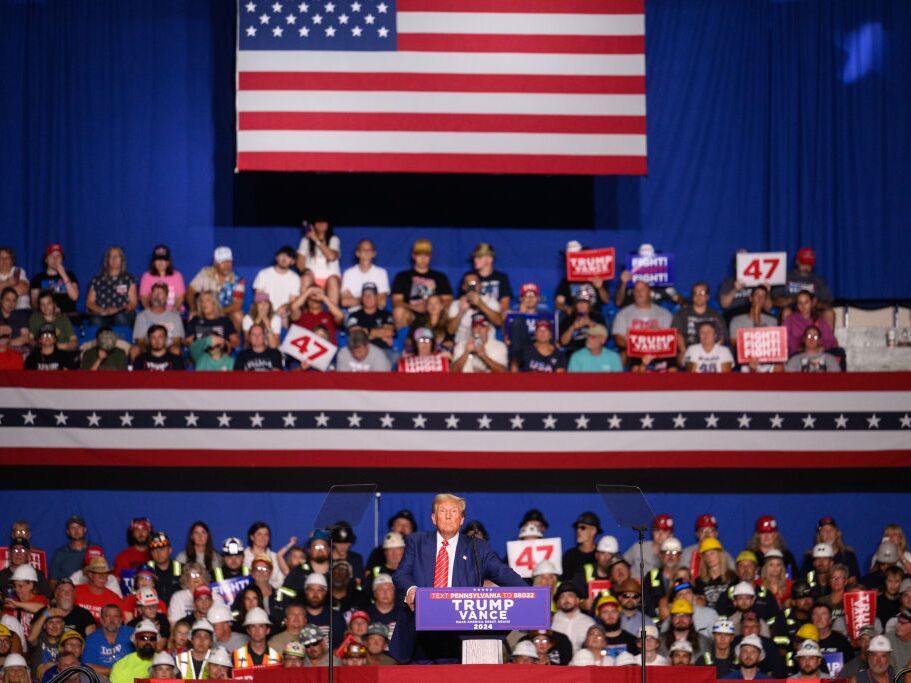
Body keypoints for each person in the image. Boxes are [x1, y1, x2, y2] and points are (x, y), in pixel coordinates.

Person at [389, 493, 526, 663]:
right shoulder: (416, 542)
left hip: (459, 638)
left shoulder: (478, 548)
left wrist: (532, 597)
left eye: (454, 511)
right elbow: (401, 574)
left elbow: (505, 575)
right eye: (442, 511)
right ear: (433, 518)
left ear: (461, 519)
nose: (448, 516)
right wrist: (411, 589)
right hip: (418, 635)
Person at [390, 239, 453, 330]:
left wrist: (432, 308)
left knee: (449, 310)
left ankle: (442, 339)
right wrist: (414, 307)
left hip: (435, 314)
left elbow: (448, 299)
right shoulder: (402, 276)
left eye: (426, 255)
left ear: (430, 257)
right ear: (413, 256)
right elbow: (396, 301)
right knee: (398, 311)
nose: (423, 259)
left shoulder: (440, 277)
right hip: (412, 314)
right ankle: (402, 342)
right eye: (419, 255)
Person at [611, 280, 674, 366]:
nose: (639, 293)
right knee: (622, 355)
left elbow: (671, 339)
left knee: (673, 358)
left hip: (658, 351)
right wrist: (635, 347)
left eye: (642, 290)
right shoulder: (623, 314)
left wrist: (659, 332)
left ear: (650, 292)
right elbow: (618, 338)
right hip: (633, 353)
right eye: (636, 290)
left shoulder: (664, 314)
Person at [186, 246, 246, 332]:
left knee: (238, 315)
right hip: (205, 309)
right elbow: (190, 291)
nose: (227, 265)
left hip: (225, 311)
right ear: (215, 263)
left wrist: (218, 312)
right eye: (223, 262)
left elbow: (237, 304)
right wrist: (193, 307)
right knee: (192, 314)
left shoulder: (238, 280)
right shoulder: (205, 273)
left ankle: (234, 343)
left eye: (229, 262)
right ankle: (191, 342)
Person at [772, 247, 835, 327]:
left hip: (813, 312)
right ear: (797, 261)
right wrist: (792, 301)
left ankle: (828, 339)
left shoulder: (818, 280)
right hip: (793, 311)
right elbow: (774, 299)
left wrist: (816, 304)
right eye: (804, 263)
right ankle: (786, 338)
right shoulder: (787, 277)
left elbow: (829, 301)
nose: (806, 267)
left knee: (829, 313)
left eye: (809, 264)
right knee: (786, 312)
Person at [85, 246, 138, 328]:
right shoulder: (97, 279)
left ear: (122, 259)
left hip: (122, 313)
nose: (114, 259)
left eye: (117, 256)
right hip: (102, 313)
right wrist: (102, 310)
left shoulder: (129, 278)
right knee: (95, 320)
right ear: (107, 260)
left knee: (120, 317)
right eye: (111, 256)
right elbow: (89, 302)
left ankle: (122, 340)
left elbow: (133, 303)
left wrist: (117, 310)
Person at [131, 283, 185, 361]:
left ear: (166, 298)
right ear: (151, 296)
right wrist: (150, 352)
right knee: (135, 349)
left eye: (161, 293)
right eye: (155, 292)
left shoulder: (175, 317)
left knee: (176, 350)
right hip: (148, 348)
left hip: (168, 349)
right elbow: (140, 341)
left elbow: (176, 341)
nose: (157, 296)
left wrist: (163, 351)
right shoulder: (141, 316)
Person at [673, 281, 726, 358]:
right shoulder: (682, 314)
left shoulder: (715, 315)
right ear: (692, 296)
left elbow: (721, 337)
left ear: (708, 296)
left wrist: (711, 353)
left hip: (710, 352)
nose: (698, 296)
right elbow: (677, 334)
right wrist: (685, 352)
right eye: (695, 293)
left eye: (702, 293)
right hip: (688, 351)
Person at [296, 218, 341, 306]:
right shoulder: (305, 240)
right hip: (312, 279)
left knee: (333, 281)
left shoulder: (334, 239)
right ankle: (304, 314)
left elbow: (331, 256)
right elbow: (299, 263)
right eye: (318, 221)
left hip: (330, 280)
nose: (321, 224)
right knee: (305, 277)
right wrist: (306, 271)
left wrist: (316, 239)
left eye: (324, 221)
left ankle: (333, 316)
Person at [253, 246, 303, 322]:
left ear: (292, 262)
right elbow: (259, 297)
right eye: (282, 255)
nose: (284, 258)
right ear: (276, 257)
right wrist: (271, 314)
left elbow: (292, 301)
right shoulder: (264, 273)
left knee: (294, 309)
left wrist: (285, 309)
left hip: (284, 314)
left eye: (288, 256)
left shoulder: (295, 278)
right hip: (266, 312)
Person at [82, 604, 133, 676]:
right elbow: (87, 667)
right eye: (108, 616)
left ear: (121, 620)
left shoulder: (131, 633)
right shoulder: (92, 639)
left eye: (116, 616)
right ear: (101, 620)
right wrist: (115, 671)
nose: (112, 620)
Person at [784, 291, 838, 356]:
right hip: (797, 355)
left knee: (839, 352)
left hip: (818, 354)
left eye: (806, 302)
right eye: (800, 303)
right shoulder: (790, 320)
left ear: (812, 303)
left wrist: (822, 348)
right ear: (797, 305)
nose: (803, 306)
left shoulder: (819, 321)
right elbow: (785, 339)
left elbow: (830, 340)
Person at [340, 239, 390, 309]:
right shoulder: (348, 273)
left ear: (374, 253)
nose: (366, 252)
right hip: (355, 314)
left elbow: (382, 302)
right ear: (357, 253)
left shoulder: (381, 273)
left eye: (369, 250)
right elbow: (344, 302)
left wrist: (357, 299)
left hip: (376, 314)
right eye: (363, 250)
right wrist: (373, 298)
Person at [30, 244, 79, 314]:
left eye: (58, 256)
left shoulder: (70, 275)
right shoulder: (38, 278)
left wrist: (63, 274)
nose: (55, 259)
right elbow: (34, 304)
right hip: (46, 317)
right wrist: (49, 309)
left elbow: (74, 297)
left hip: (67, 317)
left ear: (62, 259)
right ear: (46, 260)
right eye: (51, 256)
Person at [344, 282, 394, 351]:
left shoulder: (386, 314)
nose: (368, 297)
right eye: (365, 295)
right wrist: (379, 334)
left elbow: (389, 332)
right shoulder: (354, 316)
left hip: (383, 351)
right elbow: (356, 335)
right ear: (361, 298)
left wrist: (367, 332)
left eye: (371, 295)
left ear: (377, 297)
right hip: (361, 352)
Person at [139, 244, 185, 312]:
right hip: (153, 312)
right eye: (158, 260)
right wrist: (150, 312)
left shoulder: (177, 276)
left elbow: (180, 297)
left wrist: (173, 311)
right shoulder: (146, 276)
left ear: (168, 262)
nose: (160, 262)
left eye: (163, 260)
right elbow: (144, 297)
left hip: (173, 312)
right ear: (153, 262)